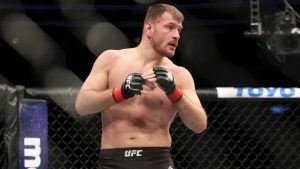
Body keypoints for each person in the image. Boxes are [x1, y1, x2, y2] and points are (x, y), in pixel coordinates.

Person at [75, 3, 207, 169]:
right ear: (149, 28)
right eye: (170, 27)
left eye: (179, 30)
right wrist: (121, 92)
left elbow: (199, 125)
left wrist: (174, 91)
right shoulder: (110, 59)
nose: (176, 35)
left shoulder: (180, 74)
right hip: (112, 161)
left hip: (156, 161)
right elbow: (82, 105)